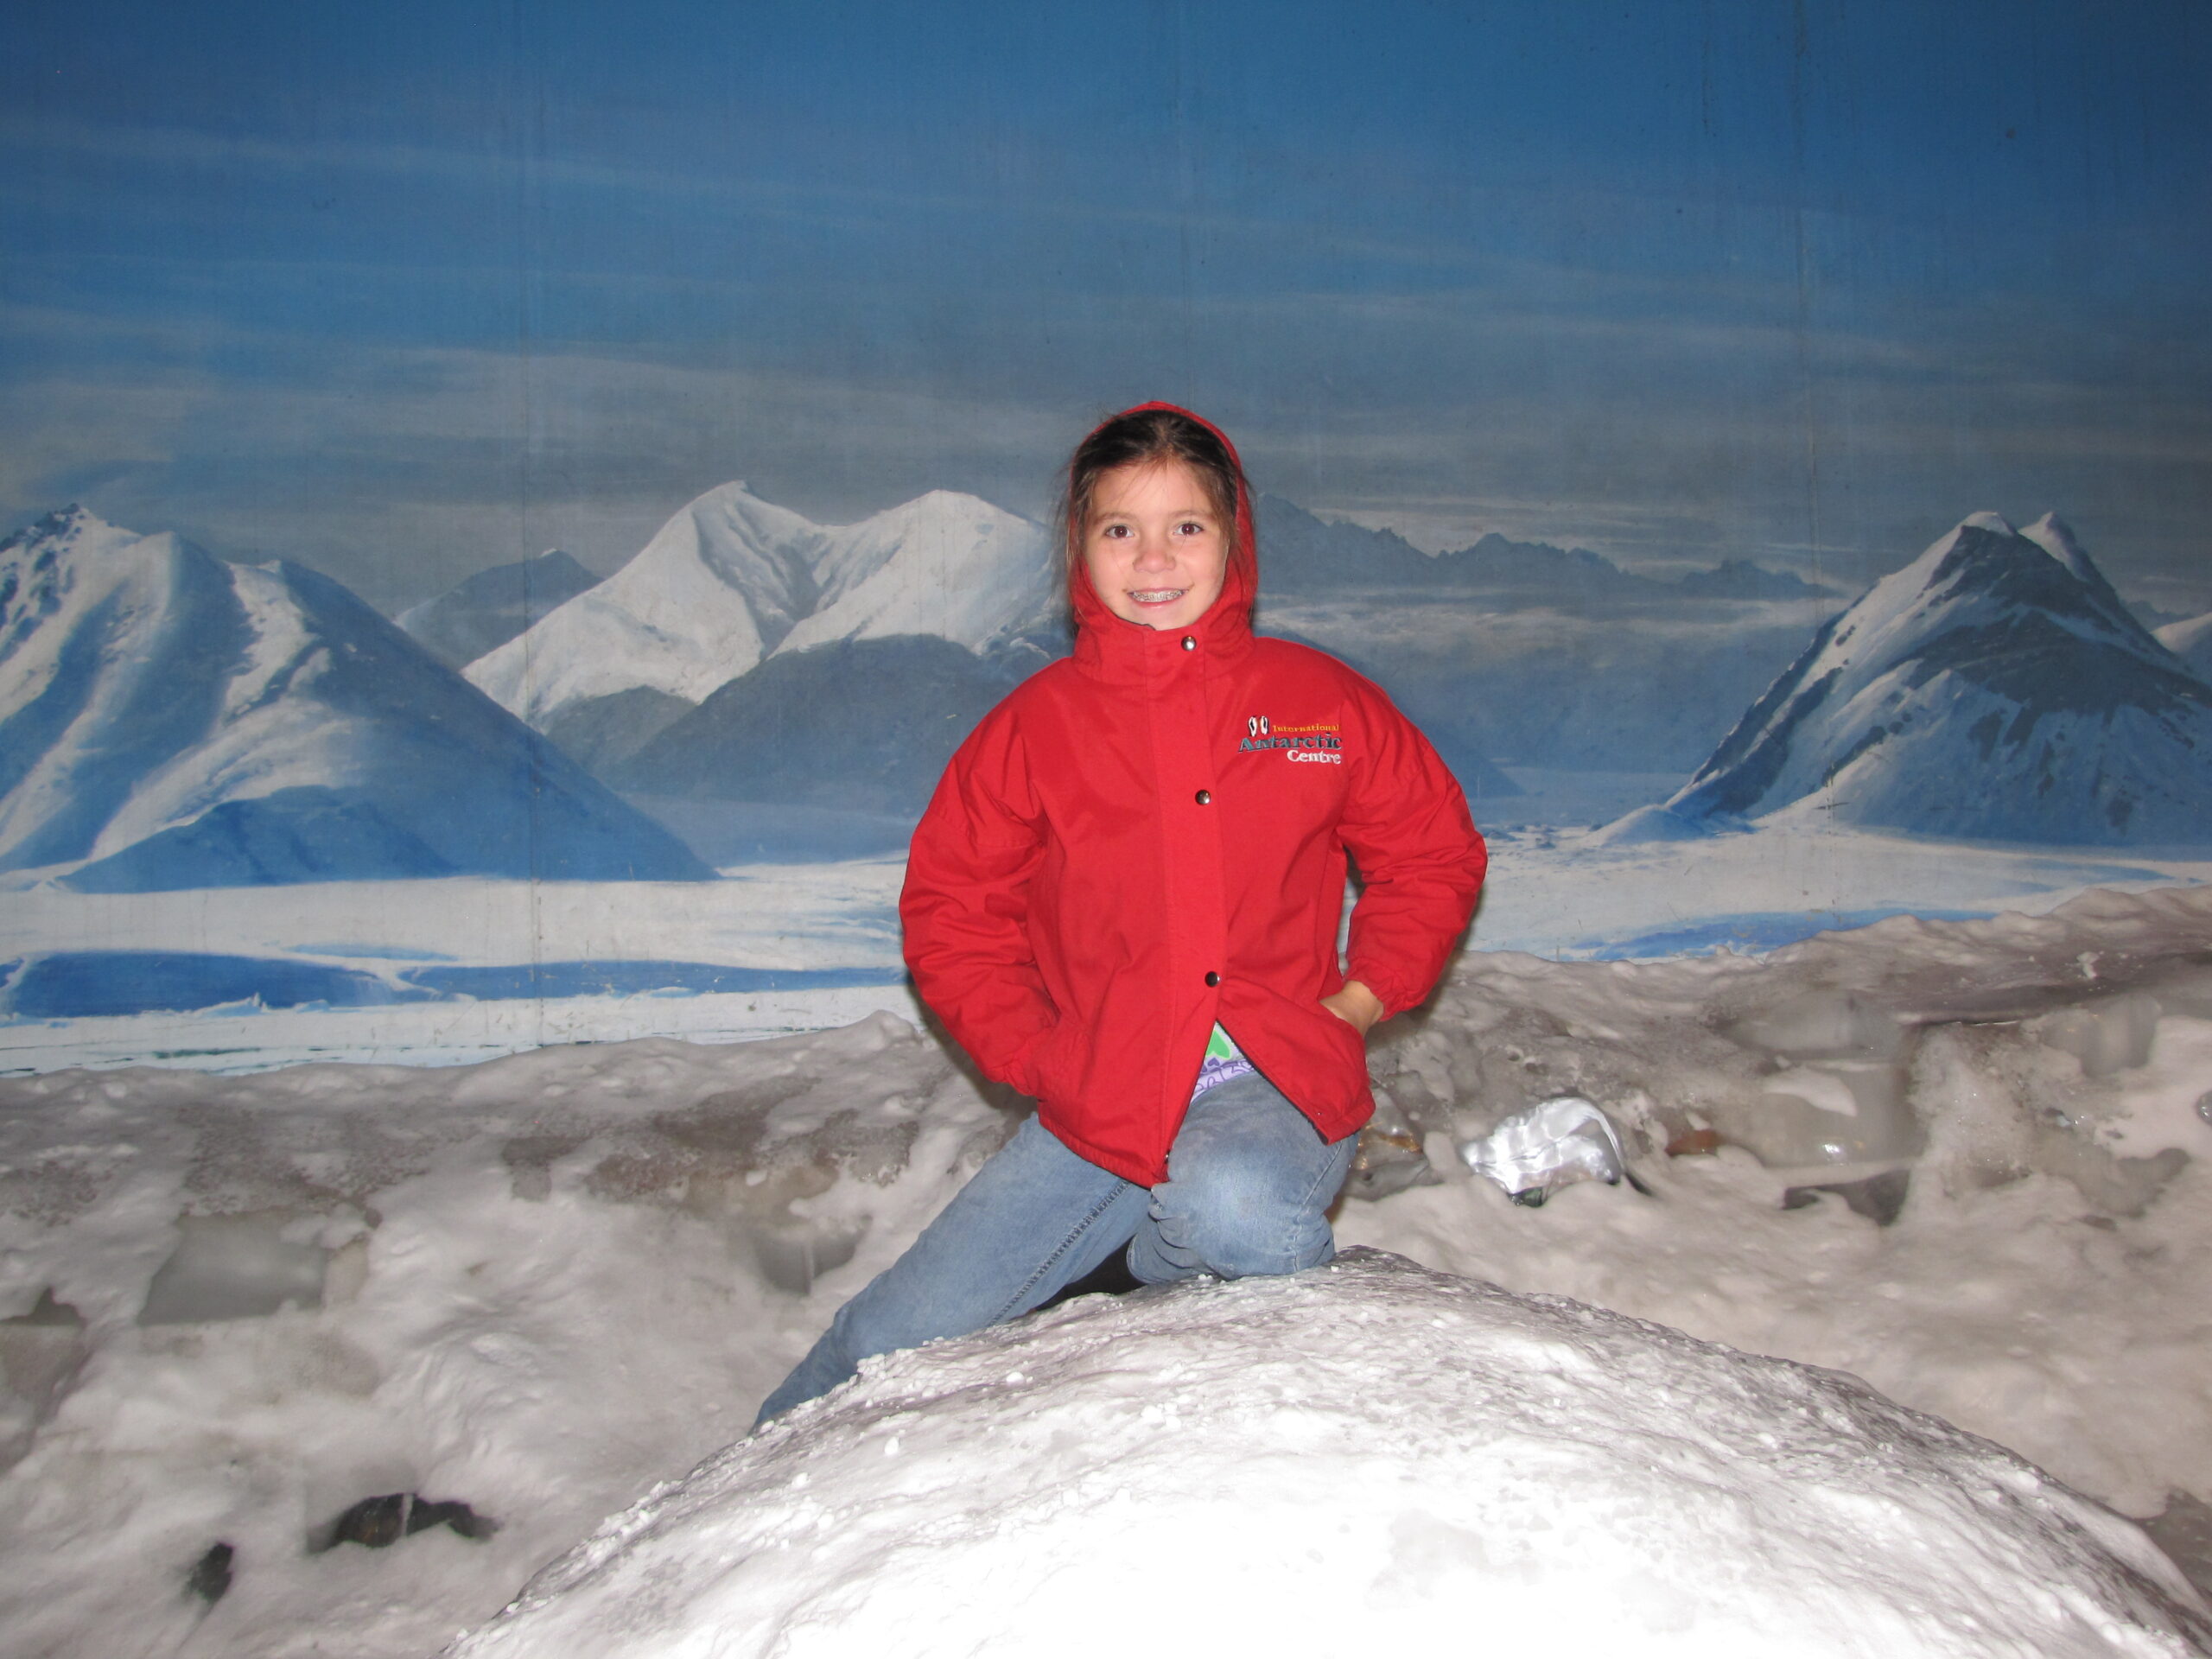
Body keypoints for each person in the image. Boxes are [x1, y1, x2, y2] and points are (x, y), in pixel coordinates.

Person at [753, 403, 1486, 1426]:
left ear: (1234, 541)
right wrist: (1041, 1057)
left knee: (1232, 1207)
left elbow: (1431, 852)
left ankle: (1157, 1271)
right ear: (1078, 547)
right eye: (1119, 529)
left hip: (1270, 1083)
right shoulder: (1031, 729)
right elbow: (953, 910)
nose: (1154, 558)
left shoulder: (1317, 702)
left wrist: (1358, 1004)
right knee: (883, 1345)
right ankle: (714, 1512)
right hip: (1106, 1098)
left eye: (1186, 525)